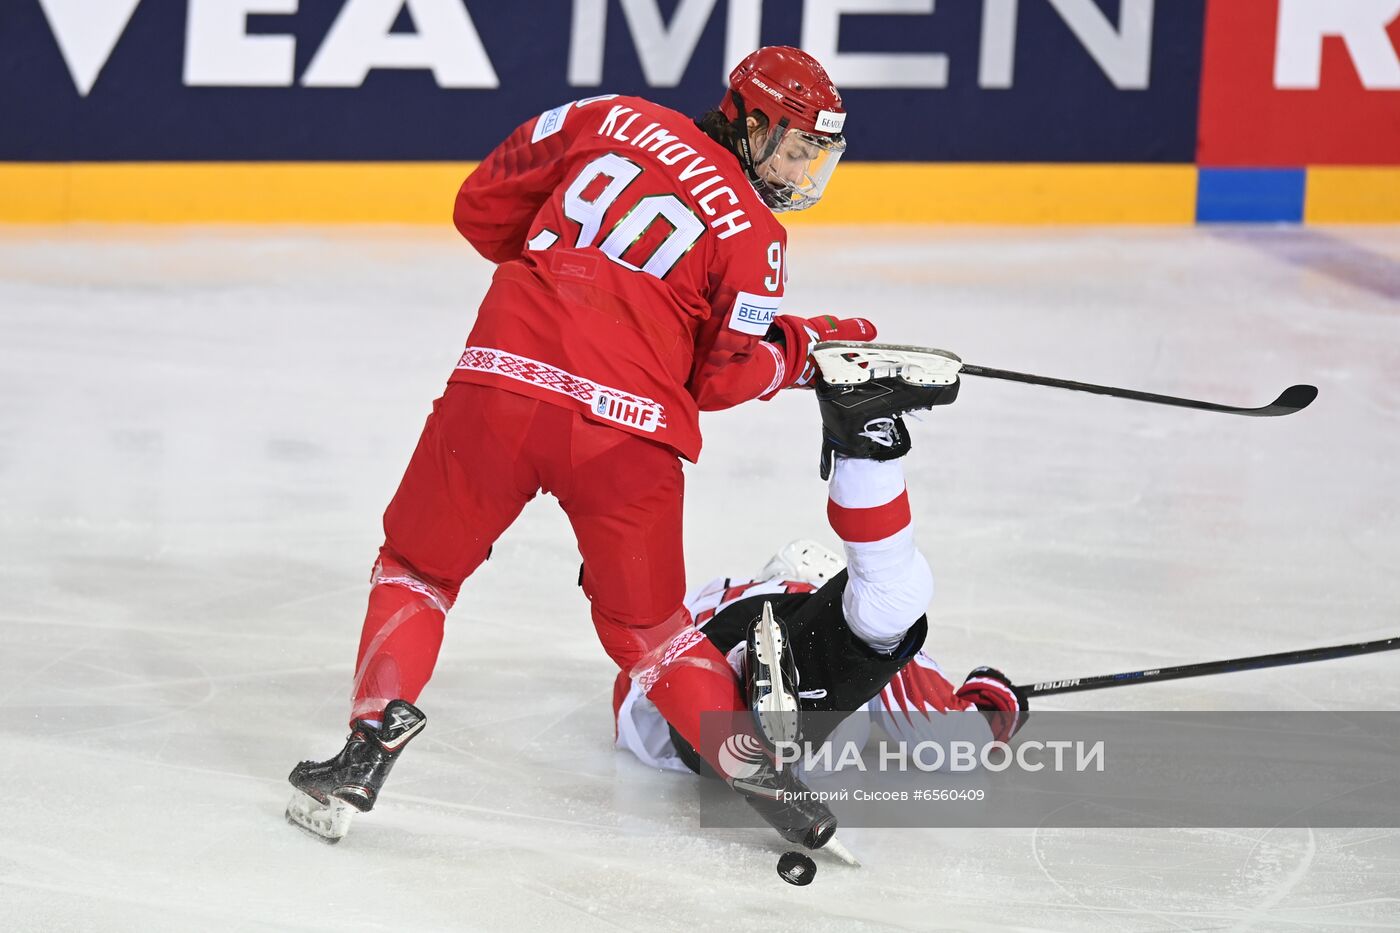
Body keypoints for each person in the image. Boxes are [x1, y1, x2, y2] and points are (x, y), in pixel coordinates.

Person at [285, 47, 880, 847]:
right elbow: (719, 379)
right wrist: (801, 351)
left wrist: (571, 280)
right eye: (798, 145)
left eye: (816, 153)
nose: (804, 167)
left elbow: (479, 208)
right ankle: (767, 779)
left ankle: (367, 745)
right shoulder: (756, 236)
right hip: (626, 435)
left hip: (501, 385)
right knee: (654, 635)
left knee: (417, 571)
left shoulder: (607, 115)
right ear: (750, 118)